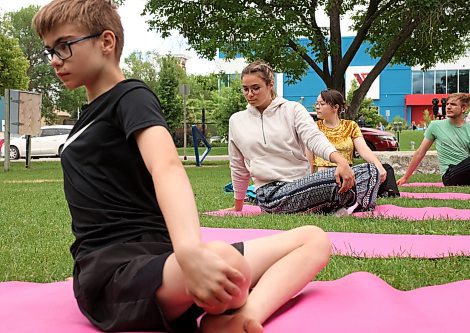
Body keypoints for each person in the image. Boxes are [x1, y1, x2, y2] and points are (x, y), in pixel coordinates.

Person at [33, 2, 333, 333]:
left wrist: (189, 253)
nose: (55, 60)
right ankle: (217, 291)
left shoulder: (129, 96)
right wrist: (191, 258)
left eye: (64, 45)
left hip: (168, 260)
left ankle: (246, 316)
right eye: (50, 50)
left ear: (106, 41)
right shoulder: (85, 122)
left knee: (314, 239)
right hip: (114, 272)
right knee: (227, 262)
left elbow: (166, 166)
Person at [228, 61, 380, 215]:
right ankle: (351, 208)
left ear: (270, 85)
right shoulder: (236, 121)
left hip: (303, 184)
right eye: (245, 89)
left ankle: (338, 207)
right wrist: (238, 207)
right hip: (270, 194)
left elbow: (314, 138)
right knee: (335, 182)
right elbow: (238, 167)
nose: (250, 94)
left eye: (255, 88)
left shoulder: (292, 109)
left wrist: (340, 161)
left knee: (370, 170)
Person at [307, 89, 399, 198]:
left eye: (322, 104)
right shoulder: (314, 127)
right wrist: (309, 181)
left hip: (349, 174)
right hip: (326, 177)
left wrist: (378, 166)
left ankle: (388, 194)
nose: (317, 107)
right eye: (317, 104)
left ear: (335, 107)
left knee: (384, 168)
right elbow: (309, 158)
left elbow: (363, 150)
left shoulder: (350, 126)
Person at [397, 93, 470, 186]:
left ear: (463, 108)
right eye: (447, 104)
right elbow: (420, 152)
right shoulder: (435, 126)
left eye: (453, 105)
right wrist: (405, 177)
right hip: (450, 175)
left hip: (469, 170)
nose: (448, 107)